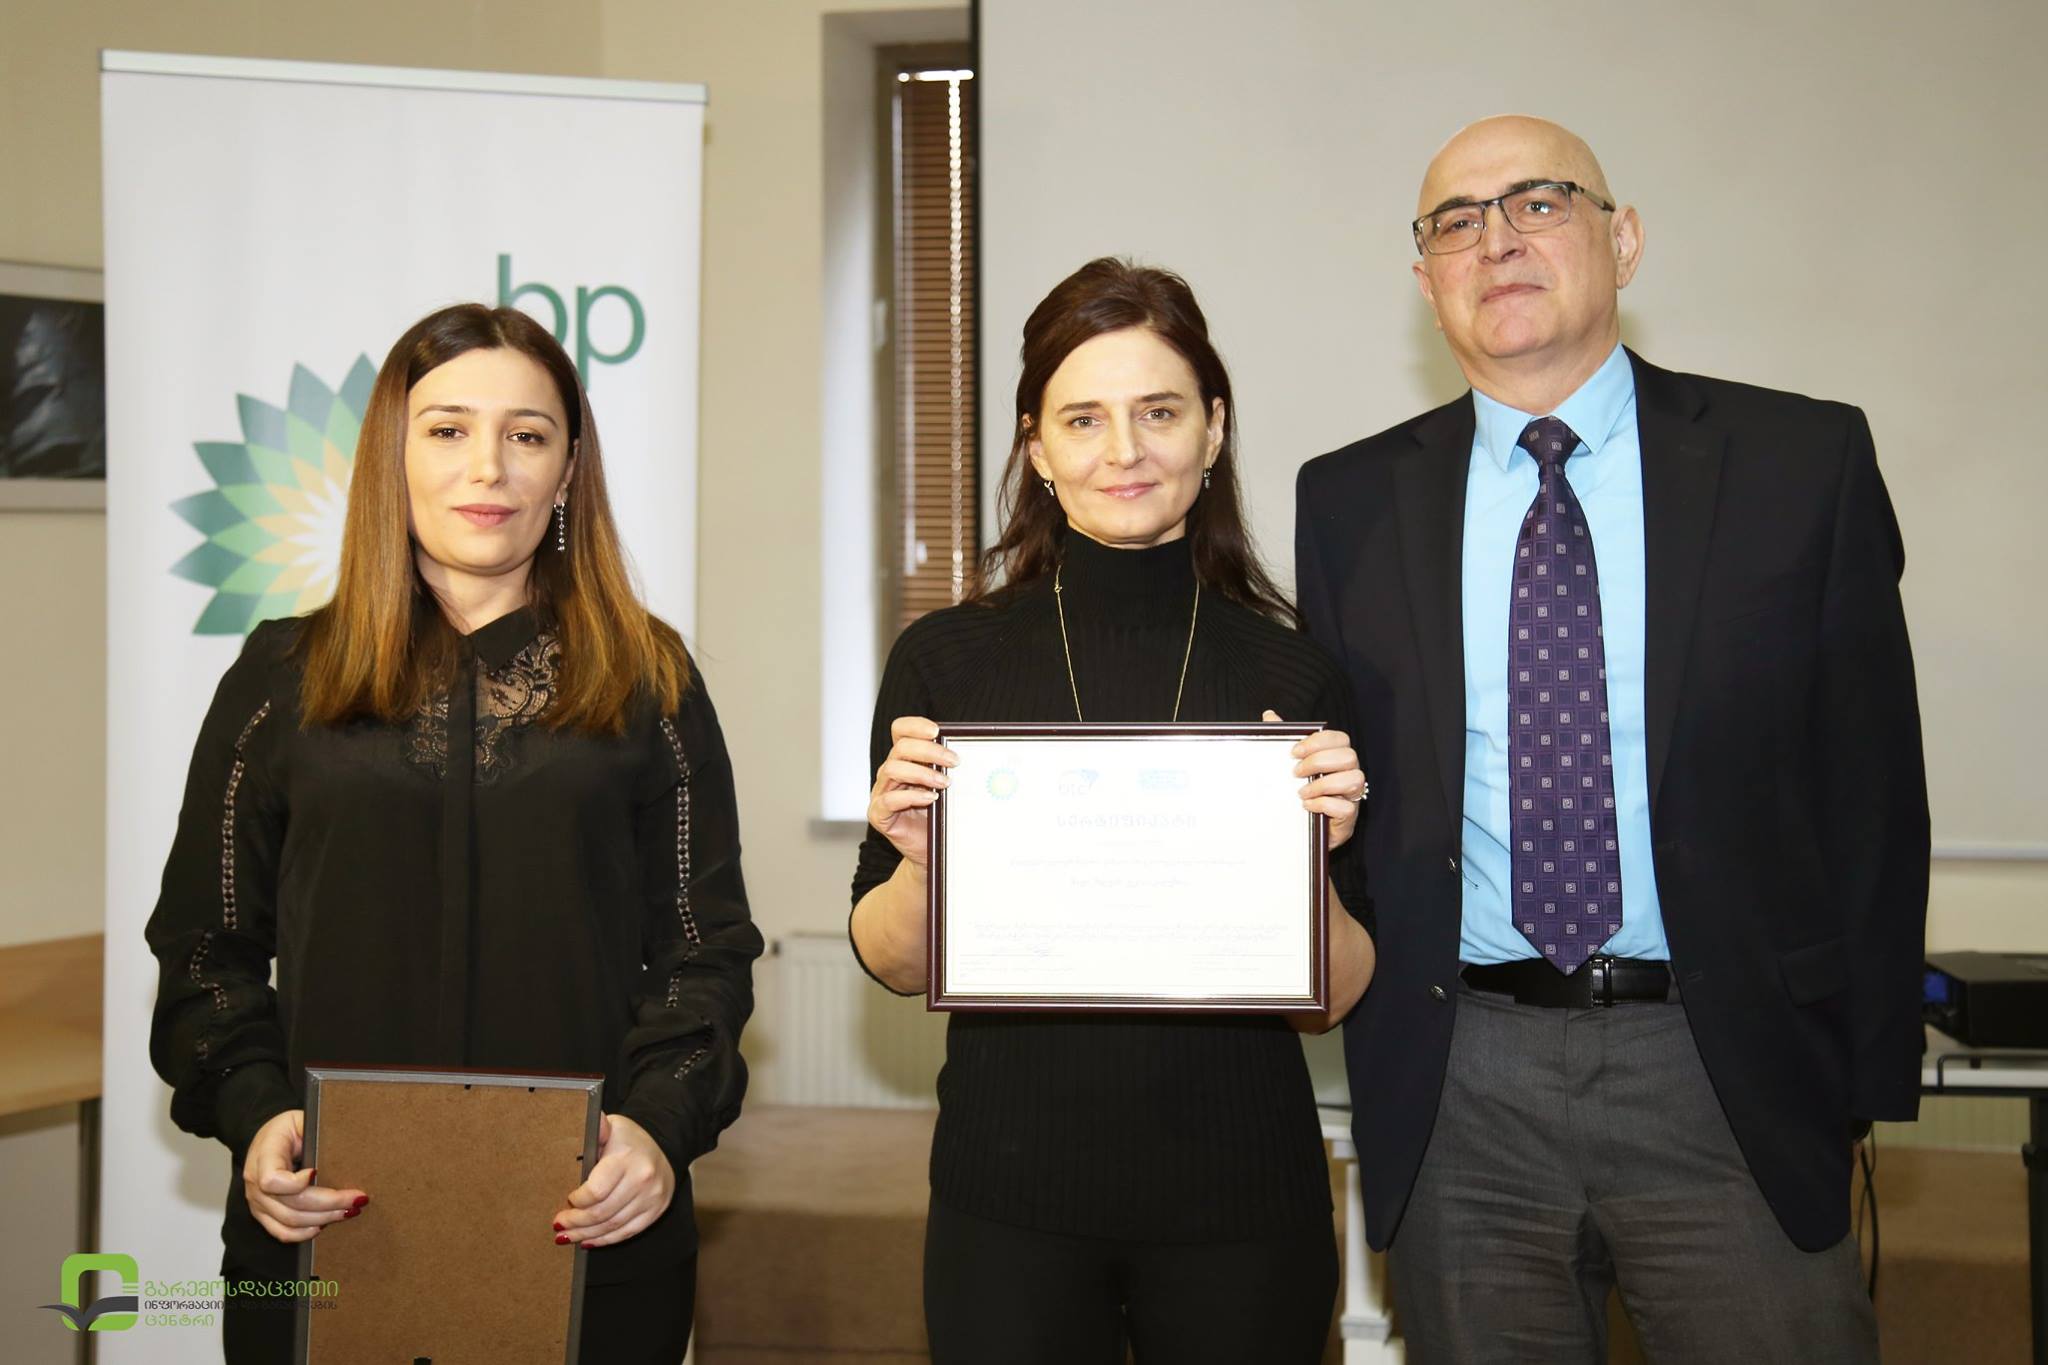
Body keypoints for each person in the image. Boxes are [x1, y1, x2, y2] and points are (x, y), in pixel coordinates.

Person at [1295, 115, 1928, 1363]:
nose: (1495, 241)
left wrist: (1861, 1073)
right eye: (1456, 222)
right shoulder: (1348, 498)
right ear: (1423, 279)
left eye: (1537, 203)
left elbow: (1870, 788)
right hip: (1459, 1079)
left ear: (1622, 240)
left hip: (1726, 1064)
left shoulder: (1798, 461)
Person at [145, 302, 760, 1363]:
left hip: (588, 1220)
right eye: (447, 430)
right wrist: (256, 1112)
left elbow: (704, 952)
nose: (490, 466)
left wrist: (659, 1127)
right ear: (393, 454)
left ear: (568, 470)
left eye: (528, 434)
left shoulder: (650, 679)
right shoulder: (281, 675)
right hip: (328, 1220)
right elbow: (205, 948)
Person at [850, 257, 1376, 1365]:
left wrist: (1315, 862)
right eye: (1083, 419)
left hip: (1245, 1204)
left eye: (1159, 412)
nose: (1123, 450)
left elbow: (1329, 1001)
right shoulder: (945, 663)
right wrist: (921, 861)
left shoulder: (1295, 676)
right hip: (1009, 1205)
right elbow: (892, 963)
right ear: (1037, 448)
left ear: (1213, 428)